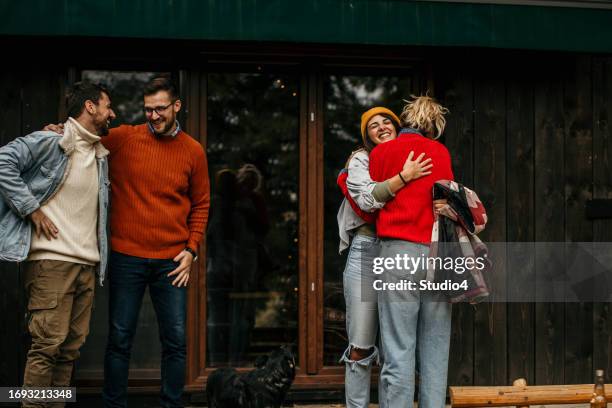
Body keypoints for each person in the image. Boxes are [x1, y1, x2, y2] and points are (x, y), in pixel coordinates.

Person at [44, 76, 210, 408]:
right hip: (126, 257)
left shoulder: (193, 151)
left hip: (171, 261)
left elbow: (201, 204)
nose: (153, 116)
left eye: (160, 109)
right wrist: (58, 130)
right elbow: (84, 134)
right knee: (120, 339)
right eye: (148, 110)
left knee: (175, 342)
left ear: (176, 106)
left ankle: (171, 404)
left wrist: (191, 249)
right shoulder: (123, 139)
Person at [0, 81, 114, 406]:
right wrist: (31, 209)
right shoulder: (53, 141)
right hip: (52, 263)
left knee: (68, 353)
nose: (112, 113)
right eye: (108, 106)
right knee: (46, 348)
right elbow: (3, 162)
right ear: (90, 107)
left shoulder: (99, 153)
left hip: (86, 266)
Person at [336, 107, 433, 408]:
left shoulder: (409, 155)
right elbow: (366, 199)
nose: (381, 127)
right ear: (367, 136)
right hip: (367, 251)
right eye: (373, 126)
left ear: (397, 126)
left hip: (401, 251)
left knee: (396, 346)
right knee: (361, 345)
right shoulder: (361, 160)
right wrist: (404, 177)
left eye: (386, 121)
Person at [368, 95, 453, 408]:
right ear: (432, 126)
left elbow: (372, 200)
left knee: (398, 348)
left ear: (405, 121)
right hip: (436, 255)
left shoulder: (382, 152)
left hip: (397, 253)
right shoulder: (441, 152)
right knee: (435, 345)